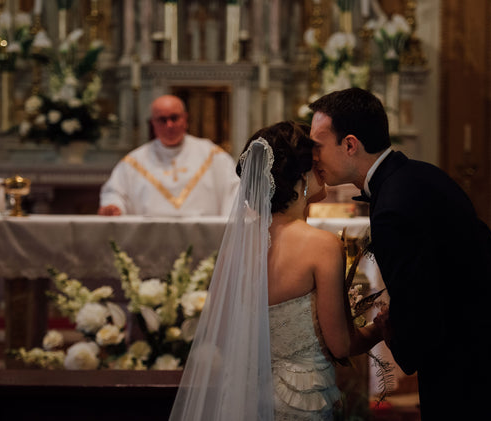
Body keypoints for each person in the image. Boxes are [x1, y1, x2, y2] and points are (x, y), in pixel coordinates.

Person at [309, 87, 491, 421]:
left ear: (350, 145)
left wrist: (393, 331)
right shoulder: (424, 174)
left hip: (465, 377)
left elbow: (421, 311)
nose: (313, 157)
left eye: (318, 145)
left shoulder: (390, 207)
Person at [169, 121, 385, 421]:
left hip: (243, 392)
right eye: (315, 164)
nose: (321, 169)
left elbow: (219, 334)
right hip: (300, 396)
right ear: (300, 178)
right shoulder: (321, 246)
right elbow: (341, 344)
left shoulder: (238, 246)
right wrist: (380, 329)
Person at [98, 95, 239, 216]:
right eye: (162, 120)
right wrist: (114, 206)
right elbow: (115, 193)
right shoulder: (134, 161)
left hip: (205, 238)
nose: (169, 125)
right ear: (153, 123)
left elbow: (234, 192)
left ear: (185, 119)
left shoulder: (214, 156)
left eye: (174, 118)